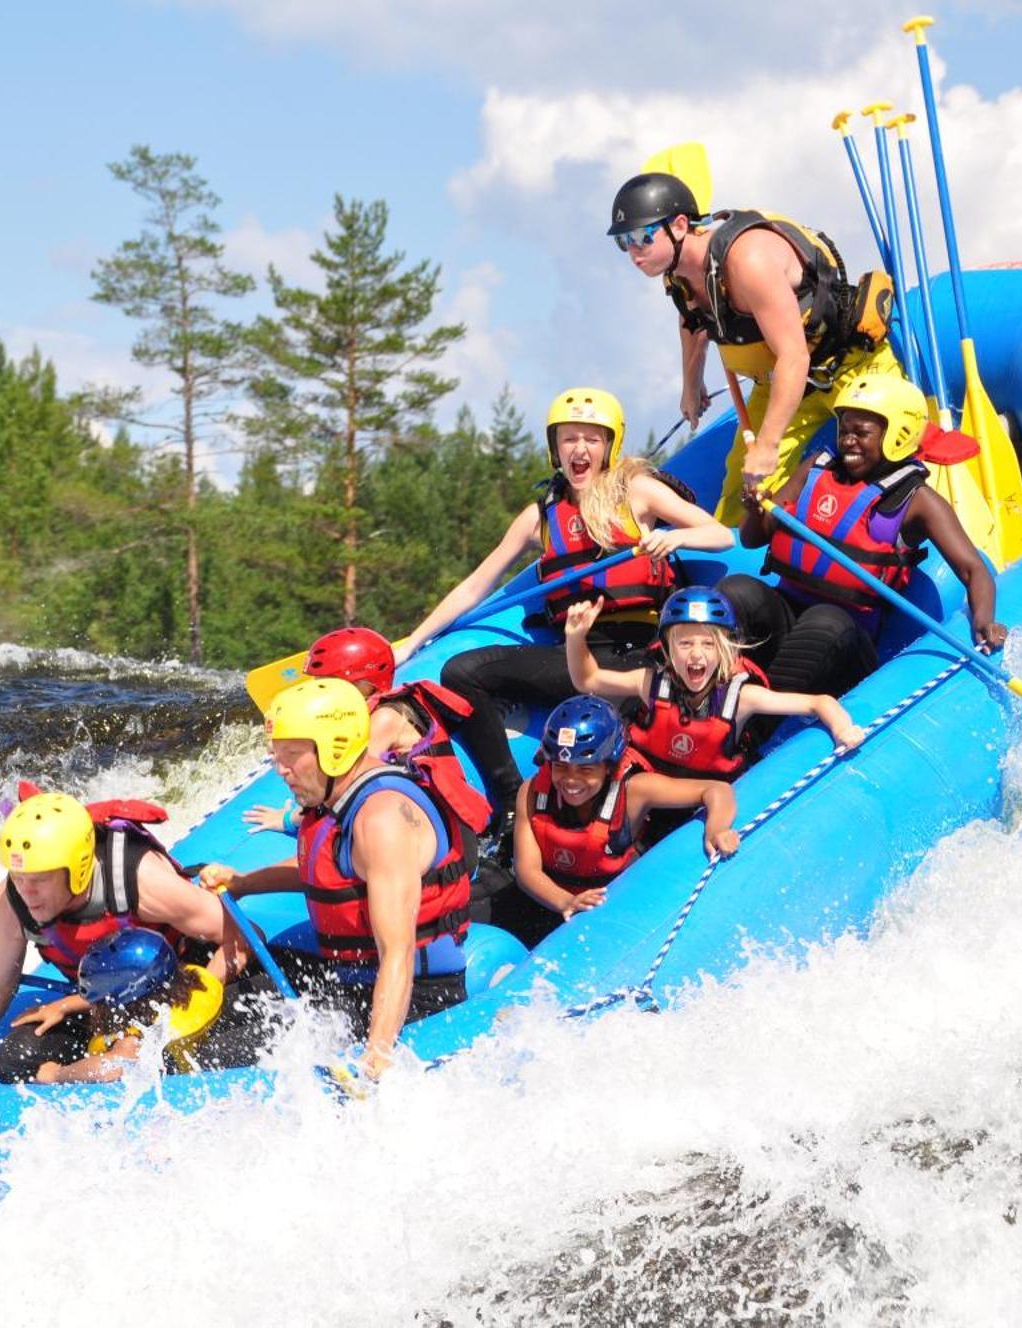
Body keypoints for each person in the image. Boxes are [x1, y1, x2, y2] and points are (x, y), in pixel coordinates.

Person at [396, 386, 735, 831]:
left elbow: (720, 535)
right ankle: (510, 799)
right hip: (575, 655)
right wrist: (412, 641)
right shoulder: (541, 515)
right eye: (570, 438)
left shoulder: (638, 491)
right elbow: (477, 584)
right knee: (461, 672)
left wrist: (676, 536)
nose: (580, 449)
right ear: (556, 447)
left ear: (609, 446)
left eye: (591, 439)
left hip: (635, 655)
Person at [201, 677, 474, 1081]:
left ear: (336, 749)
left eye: (292, 755)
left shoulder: (381, 820)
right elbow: (328, 867)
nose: (281, 770)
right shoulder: (332, 797)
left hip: (414, 996)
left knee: (217, 1058)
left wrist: (377, 1054)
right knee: (216, 1015)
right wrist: (243, 882)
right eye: (276, 755)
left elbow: (396, 952)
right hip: (345, 976)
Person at [0, 785, 248, 1085]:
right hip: (104, 1002)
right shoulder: (10, 903)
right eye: (19, 878)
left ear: (78, 869)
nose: (26, 892)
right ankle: (101, 1060)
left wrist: (192, 1005)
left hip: (184, 983)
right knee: (18, 1058)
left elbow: (243, 934)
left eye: (39, 880)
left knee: (171, 1058)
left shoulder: (139, 881)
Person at [608, 171, 897, 525]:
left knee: (892, 459)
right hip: (782, 384)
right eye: (624, 242)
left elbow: (794, 356)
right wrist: (691, 382)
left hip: (850, 370)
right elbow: (693, 320)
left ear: (680, 225)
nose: (634, 254)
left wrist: (768, 446)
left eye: (642, 237)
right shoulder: (676, 273)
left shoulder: (748, 262)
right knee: (738, 498)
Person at [723, 372, 1007, 700]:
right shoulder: (818, 467)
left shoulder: (918, 500)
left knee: (823, 622)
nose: (847, 441)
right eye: (844, 430)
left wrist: (984, 621)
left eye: (861, 433)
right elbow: (752, 539)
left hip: (847, 636)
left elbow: (974, 570)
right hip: (788, 609)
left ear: (896, 436)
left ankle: (753, 726)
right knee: (737, 590)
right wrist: (756, 510)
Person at [495, 695, 741, 947]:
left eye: (585, 769)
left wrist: (716, 829)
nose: (570, 780)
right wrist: (567, 902)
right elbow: (527, 872)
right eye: (561, 766)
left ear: (608, 766)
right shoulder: (533, 792)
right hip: (552, 900)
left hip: (611, 906)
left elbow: (716, 790)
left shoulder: (635, 791)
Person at [564, 587, 865, 786]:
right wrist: (575, 637)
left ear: (724, 650)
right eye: (685, 643)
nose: (696, 654)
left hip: (708, 800)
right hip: (651, 796)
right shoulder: (650, 683)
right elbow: (587, 680)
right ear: (667, 649)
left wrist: (843, 730)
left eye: (708, 644)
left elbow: (818, 702)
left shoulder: (743, 699)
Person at [244, 626, 492, 841]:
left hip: (440, 829)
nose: (319, 692)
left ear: (366, 686)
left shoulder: (383, 719)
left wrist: (286, 820)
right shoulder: (368, 710)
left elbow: (342, 785)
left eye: (328, 684)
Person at [10, 928, 225, 1084]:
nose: (93, 1005)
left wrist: (56, 1074)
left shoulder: (140, 1031)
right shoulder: (195, 979)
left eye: (98, 1000)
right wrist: (64, 1006)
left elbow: (117, 1065)